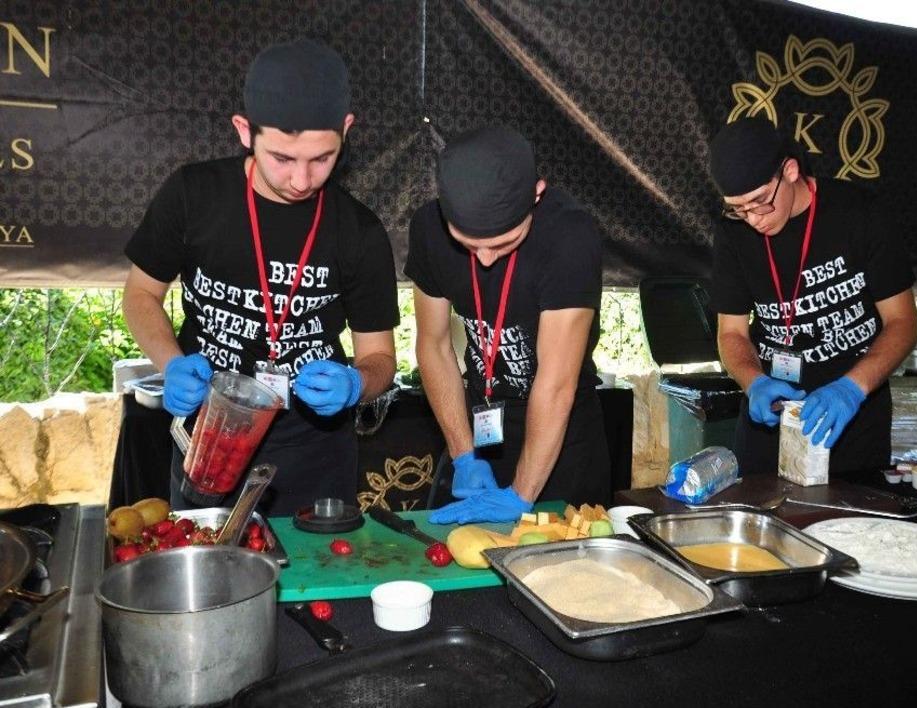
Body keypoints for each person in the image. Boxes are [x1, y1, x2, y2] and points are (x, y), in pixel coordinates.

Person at [122, 38, 399, 515]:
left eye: (322, 158)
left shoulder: (359, 230)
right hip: (210, 430)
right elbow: (140, 294)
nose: (301, 180)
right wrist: (171, 364)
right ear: (244, 131)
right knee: (211, 580)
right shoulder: (193, 195)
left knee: (315, 584)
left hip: (315, 443)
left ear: (346, 130)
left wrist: (356, 383)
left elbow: (380, 357)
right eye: (283, 158)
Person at [405, 126, 610, 524]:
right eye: (467, 243)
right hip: (479, 427)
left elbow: (556, 383)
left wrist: (521, 495)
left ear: (536, 194)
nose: (483, 260)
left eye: (503, 243)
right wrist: (463, 454)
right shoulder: (429, 229)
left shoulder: (569, 236)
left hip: (562, 437)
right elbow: (433, 345)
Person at [707, 117, 917, 478]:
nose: (753, 219)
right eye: (738, 208)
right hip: (772, 421)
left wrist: (852, 389)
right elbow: (731, 334)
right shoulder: (733, 233)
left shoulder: (859, 213)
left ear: (789, 170)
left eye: (759, 201)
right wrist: (753, 382)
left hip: (851, 419)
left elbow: (903, 323)